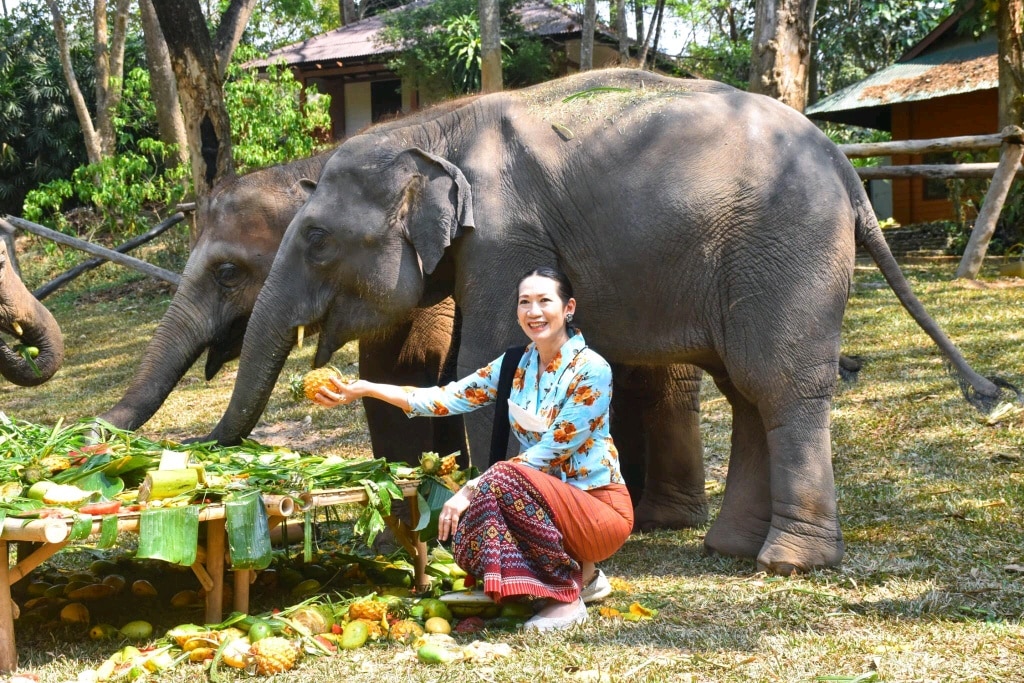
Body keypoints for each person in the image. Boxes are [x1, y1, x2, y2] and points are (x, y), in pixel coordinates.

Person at [313, 267, 633, 631]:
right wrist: (367, 388)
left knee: (501, 479)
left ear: (568, 308)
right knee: (497, 487)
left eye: (545, 301)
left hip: (599, 511)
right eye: (524, 302)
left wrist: (471, 487)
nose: (534, 311)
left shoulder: (592, 369)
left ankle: (565, 597)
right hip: (545, 503)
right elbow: (445, 398)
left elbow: (550, 451)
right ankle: (583, 578)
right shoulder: (515, 364)